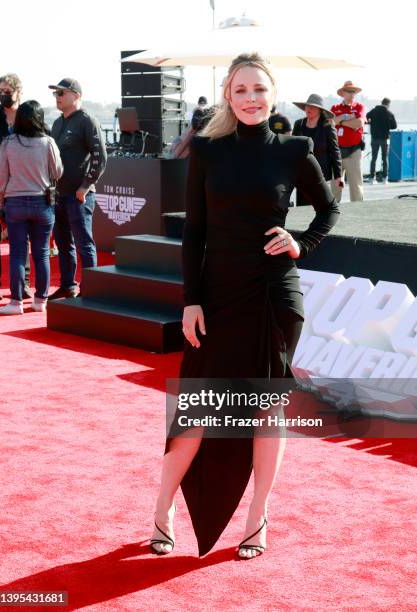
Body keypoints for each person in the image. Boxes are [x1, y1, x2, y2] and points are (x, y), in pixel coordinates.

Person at [149, 53, 340, 559]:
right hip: (218, 294)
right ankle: (162, 507)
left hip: (276, 296)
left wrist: (302, 242)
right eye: (240, 91)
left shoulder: (297, 148)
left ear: (273, 92)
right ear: (228, 97)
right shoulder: (208, 151)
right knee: (197, 408)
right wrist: (191, 301)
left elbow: (329, 207)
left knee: (266, 412)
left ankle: (257, 519)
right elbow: (195, 231)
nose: (251, 98)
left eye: (259, 89)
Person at [0, 100, 63, 314]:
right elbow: (58, 172)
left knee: (17, 253)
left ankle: (16, 302)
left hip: (15, 203)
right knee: (41, 254)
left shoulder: (8, 143)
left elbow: (1, 179)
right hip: (42, 203)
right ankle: (40, 300)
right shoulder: (48, 142)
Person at [47, 78, 107, 300]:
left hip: (79, 196)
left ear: (76, 95)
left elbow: (100, 158)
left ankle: (92, 289)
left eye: (62, 93)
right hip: (59, 194)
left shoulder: (87, 121)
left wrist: (84, 186)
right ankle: (67, 286)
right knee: (63, 244)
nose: (57, 97)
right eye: (56, 93)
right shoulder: (56, 123)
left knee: (84, 244)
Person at [0, 73, 31, 301]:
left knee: (21, 234)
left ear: (19, 91)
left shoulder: (28, 115)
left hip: (21, 183)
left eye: (8, 91)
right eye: (0, 91)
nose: (3, 95)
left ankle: (23, 283)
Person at [292, 94, 342, 206]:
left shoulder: (327, 126)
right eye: (307, 106)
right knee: (302, 207)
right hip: (302, 173)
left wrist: (338, 175)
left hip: (321, 173)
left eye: (313, 107)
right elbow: (292, 149)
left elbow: (335, 150)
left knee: (319, 206)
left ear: (320, 110)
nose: (309, 109)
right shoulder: (298, 124)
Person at [331, 81, 366, 202]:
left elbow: (359, 123)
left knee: (356, 185)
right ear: (343, 93)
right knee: (336, 185)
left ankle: (357, 211)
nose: (352, 94)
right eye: (349, 91)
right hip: (337, 152)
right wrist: (346, 119)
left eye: (354, 92)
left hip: (354, 150)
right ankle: (332, 212)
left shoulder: (359, 107)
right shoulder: (335, 108)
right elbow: (331, 122)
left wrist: (340, 121)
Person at [366, 98, 397, 184]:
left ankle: (372, 178)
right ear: (388, 104)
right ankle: (384, 178)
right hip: (384, 138)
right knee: (384, 158)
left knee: (374, 158)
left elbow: (366, 117)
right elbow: (394, 126)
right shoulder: (389, 113)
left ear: (381, 103)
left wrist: (370, 122)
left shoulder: (373, 111)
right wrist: (387, 125)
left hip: (374, 138)